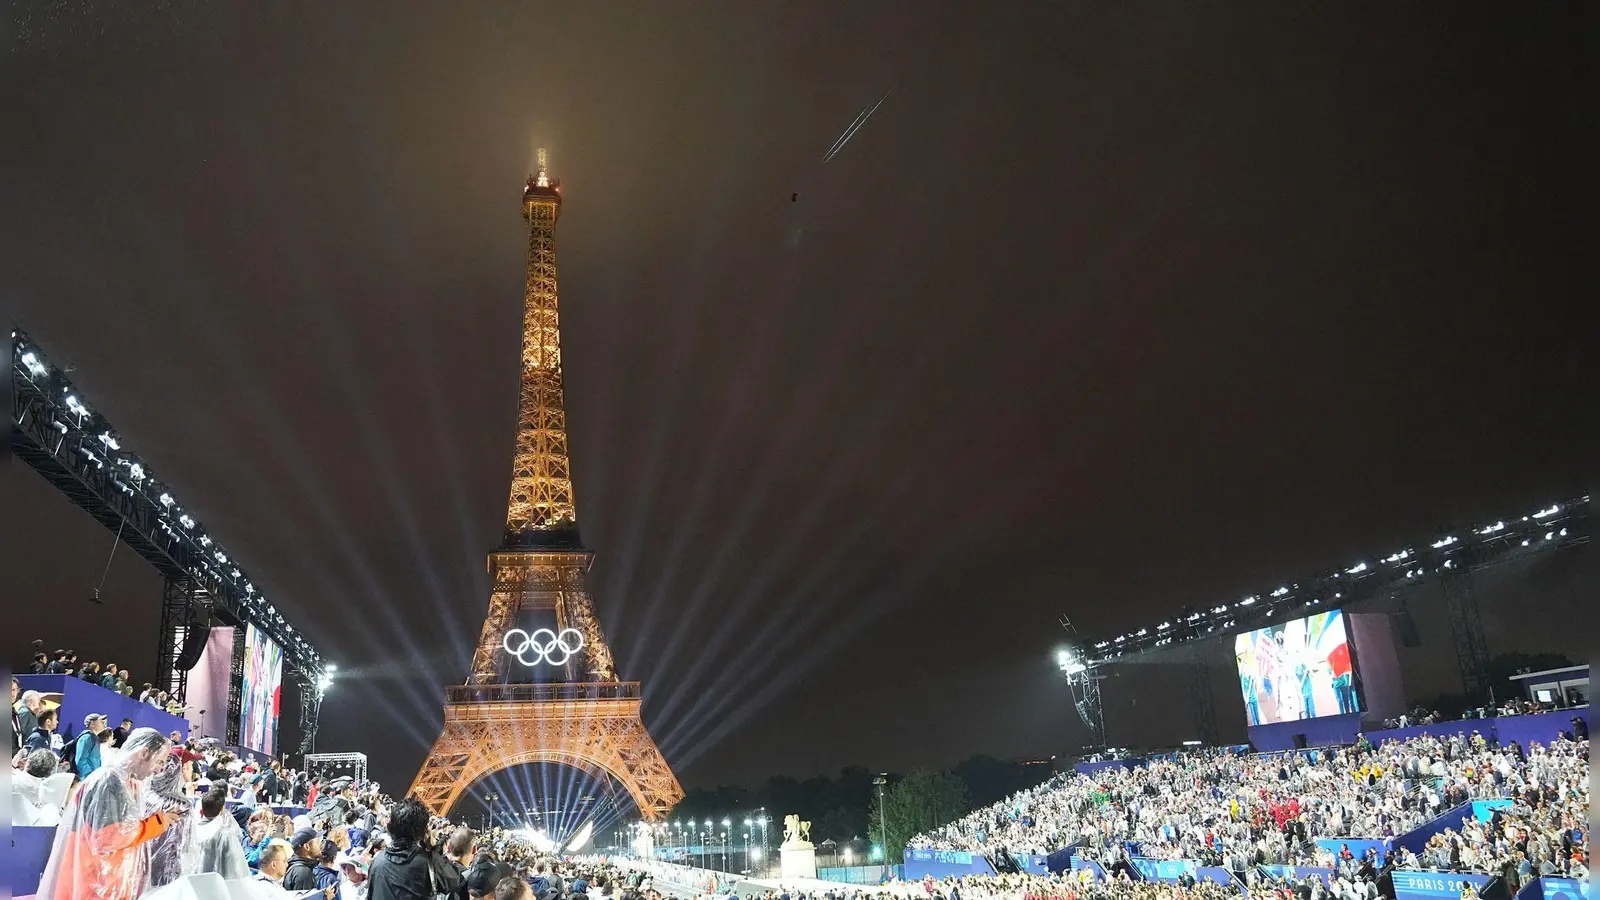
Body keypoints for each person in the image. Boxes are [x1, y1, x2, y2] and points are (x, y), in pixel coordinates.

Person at [37, 727, 176, 900]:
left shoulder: (124, 781)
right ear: (143, 753)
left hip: (101, 883)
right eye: (160, 761)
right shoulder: (109, 781)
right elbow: (111, 838)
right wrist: (158, 823)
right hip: (92, 885)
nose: (159, 770)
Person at [368, 798, 464, 900]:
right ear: (424, 831)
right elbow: (454, 881)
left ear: (389, 827)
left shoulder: (377, 862)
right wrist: (434, 850)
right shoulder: (429, 862)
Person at [195, 782, 252, 879]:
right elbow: (236, 867)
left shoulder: (192, 830)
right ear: (222, 809)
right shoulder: (225, 835)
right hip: (218, 884)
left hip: (194, 883)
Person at [74, 713, 109, 778]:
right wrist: (90, 776)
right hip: (86, 780)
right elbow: (80, 761)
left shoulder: (95, 738)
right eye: (100, 722)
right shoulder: (86, 738)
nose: (103, 724)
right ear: (92, 724)